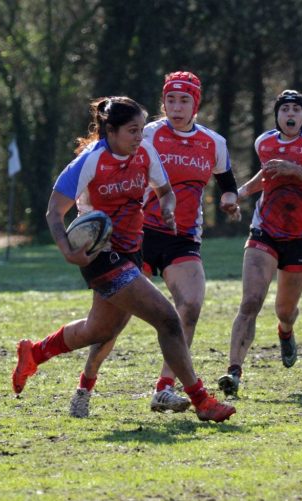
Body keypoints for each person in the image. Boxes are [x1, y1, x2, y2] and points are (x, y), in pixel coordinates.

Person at [11, 96, 235, 423]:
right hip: (100, 255)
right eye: (132, 130)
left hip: (132, 249)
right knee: (169, 320)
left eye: (142, 130)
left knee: (99, 328)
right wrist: (66, 249)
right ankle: (201, 400)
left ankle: (35, 352)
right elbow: (54, 211)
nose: (139, 137)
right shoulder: (90, 161)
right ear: (111, 131)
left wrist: (168, 208)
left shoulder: (144, 152)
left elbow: (165, 190)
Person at [68, 71, 242, 418]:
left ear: (197, 104)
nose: (177, 107)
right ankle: (85, 385)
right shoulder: (144, 133)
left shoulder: (213, 142)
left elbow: (227, 182)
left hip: (183, 238)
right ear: (163, 102)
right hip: (138, 238)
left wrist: (229, 199)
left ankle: (165, 388)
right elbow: (104, 153)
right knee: (113, 323)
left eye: (185, 100)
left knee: (189, 306)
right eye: (171, 100)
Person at [217, 89, 302, 398]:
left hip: (300, 237)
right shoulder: (264, 142)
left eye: (296, 109)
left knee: (285, 310)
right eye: (285, 109)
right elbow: (264, 177)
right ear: (277, 115)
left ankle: (286, 331)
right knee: (250, 302)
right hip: (264, 232)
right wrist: (238, 195)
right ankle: (234, 372)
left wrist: (296, 170)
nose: (290, 114)